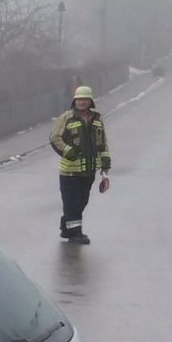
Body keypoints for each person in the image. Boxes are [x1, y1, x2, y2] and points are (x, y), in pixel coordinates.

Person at [51, 83, 112, 245]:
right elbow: (55, 138)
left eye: (85, 99)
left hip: (89, 170)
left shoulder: (97, 119)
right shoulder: (66, 118)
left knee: (82, 201)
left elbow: (102, 143)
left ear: (91, 101)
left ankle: (67, 228)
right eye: (79, 99)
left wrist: (105, 162)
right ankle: (75, 234)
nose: (82, 102)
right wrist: (68, 151)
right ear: (74, 101)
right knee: (72, 203)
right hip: (70, 172)